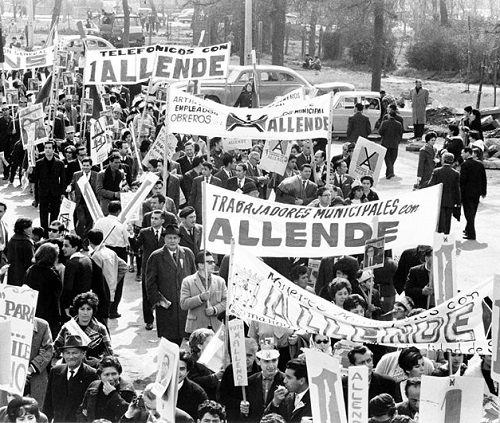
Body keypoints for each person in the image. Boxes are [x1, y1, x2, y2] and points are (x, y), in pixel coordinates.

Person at [146, 224, 196, 344]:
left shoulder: (187, 253)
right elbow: (150, 283)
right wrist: (159, 300)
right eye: (169, 238)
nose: (172, 241)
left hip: (184, 305)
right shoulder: (156, 256)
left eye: (175, 238)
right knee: (168, 339)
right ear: (164, 239)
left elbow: (194, 277)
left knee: (184, 338)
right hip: (167, 305)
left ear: (179, 239)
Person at [43, 335, 98, 423]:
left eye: (75, 353)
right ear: (63, 355)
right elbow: (48, 404)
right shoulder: (55, 371)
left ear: (83, 354)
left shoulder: (92, 374)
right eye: (67, 353)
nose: (71, 357)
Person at [53, 292, 113, 368]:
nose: (85, 313)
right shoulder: (67, 327)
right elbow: (55, 349)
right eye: (82, 309)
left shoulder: (100, 329)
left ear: (93, 311)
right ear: (77, 310)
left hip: (92, 370)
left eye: (88, 309)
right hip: (71, 368)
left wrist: (98, 361)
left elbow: (110, 354)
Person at [93, 201, 130, 318]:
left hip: (103, 249)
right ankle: (113, 310)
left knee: (101, 279)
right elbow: (128, 239)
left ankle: (103, 307)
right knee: (117, 282)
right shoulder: (121, 223)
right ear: (119, 211)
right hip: (118, 251)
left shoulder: (99, 221)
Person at [180, 251, 227, 335]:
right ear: (200, 265)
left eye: (213, 262)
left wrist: (215, 309)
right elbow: (184, 304)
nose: (213, 265)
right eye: (209, 262)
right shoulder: (188, 281)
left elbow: (226, 301)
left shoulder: (220, 281)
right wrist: (200, 298)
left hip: (216, 327)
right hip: (196, 328)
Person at [77, 356, 136, 422]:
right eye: (106, 375)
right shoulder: (94, 386)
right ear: (100, 376)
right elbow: (81, 411)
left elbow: (131, 415)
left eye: (114, 374)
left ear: (119, 374)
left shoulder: (127, 390)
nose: (110, 378)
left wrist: (113, 395)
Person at [23, 243, 63, 338]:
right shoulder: (52, 274)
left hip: (33, 310)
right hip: (48, 313)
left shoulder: (30, 270)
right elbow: (59, 291)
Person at [31, 141, 66, 235]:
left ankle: (53, 234)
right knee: (43, 216)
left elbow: (63, 180)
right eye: (46, 148)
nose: (47, 150)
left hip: (55, 193)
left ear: (53, 149)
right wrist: (36, 197)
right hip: (43, 193)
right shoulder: (39, 163)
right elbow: (35, 179)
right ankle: (44, 235)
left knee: (55, 215)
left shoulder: (60, 163)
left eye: (50, 148)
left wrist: (62, 193)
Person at [241, 348, 285, 422]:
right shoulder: (250, 381)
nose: (271, 366)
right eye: (266, 361)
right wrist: (244, 411)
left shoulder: (286, 380)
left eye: (274, 360)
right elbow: (249, 413)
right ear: (258, 361)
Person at [263, 358, 311, 422]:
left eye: (289, 377)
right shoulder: (284, 396)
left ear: (301, 381)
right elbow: (266, 420)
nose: (284, 381)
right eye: (285, 376)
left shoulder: (315, 402)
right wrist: (274, 403)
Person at [427, 152, 461, 234]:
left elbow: (431, 185)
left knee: (439, 218)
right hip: (450, 199)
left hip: (439, 199)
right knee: (448, 218)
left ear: (443, 160)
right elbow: (457, 189)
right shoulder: (456, 173)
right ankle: (446, 234)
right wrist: (458, 201)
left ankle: (439, 234)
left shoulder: (437, 171)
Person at [60, 234, 93, 319]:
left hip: (74, 306)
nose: (63, 248)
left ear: (75, 248)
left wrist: (66, 306)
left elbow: (68, 288)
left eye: (66, 246)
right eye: (63, 245)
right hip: (85, 304)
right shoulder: (87, 259)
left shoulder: (72, 264)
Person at [26, 317, 54, 410]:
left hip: (36, 376)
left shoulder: (42, 325)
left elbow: (48, 350)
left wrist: (30, 369)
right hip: (9, 376)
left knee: (37, 411)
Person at [460, 146, 487, 240]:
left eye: (462, 153)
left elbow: (462, 181)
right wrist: (484, 191)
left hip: (467, 193)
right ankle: (468, 229)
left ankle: (471, 234)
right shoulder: (479, 164)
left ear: (468, 153)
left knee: (468, 214)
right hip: (477, 193)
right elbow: (484, 179)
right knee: (473, 212)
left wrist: (460, 193)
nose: (461, 155)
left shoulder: (465, 165)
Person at [176, 351, 209, 420]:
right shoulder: (157, 388)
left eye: (182, 369)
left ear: (187, 372)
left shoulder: (198, 393)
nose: (177, 372)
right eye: (175, 368)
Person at [7, 218, 34, 286]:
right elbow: (30, 262)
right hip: (23, 277)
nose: (32, 228)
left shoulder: (12, 239)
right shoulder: (27, 242)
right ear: (24, 229)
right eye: (30, 226)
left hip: (12, 275)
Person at [379, 109, 403, 180]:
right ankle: (390, 172)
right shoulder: (398, 124)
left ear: (389, 115)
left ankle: (389, 172)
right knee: (392, 158)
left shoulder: (384, 123)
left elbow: (380, 132)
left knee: (387, 158)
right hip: (395, 144)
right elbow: (400, 134)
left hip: (385, 143)